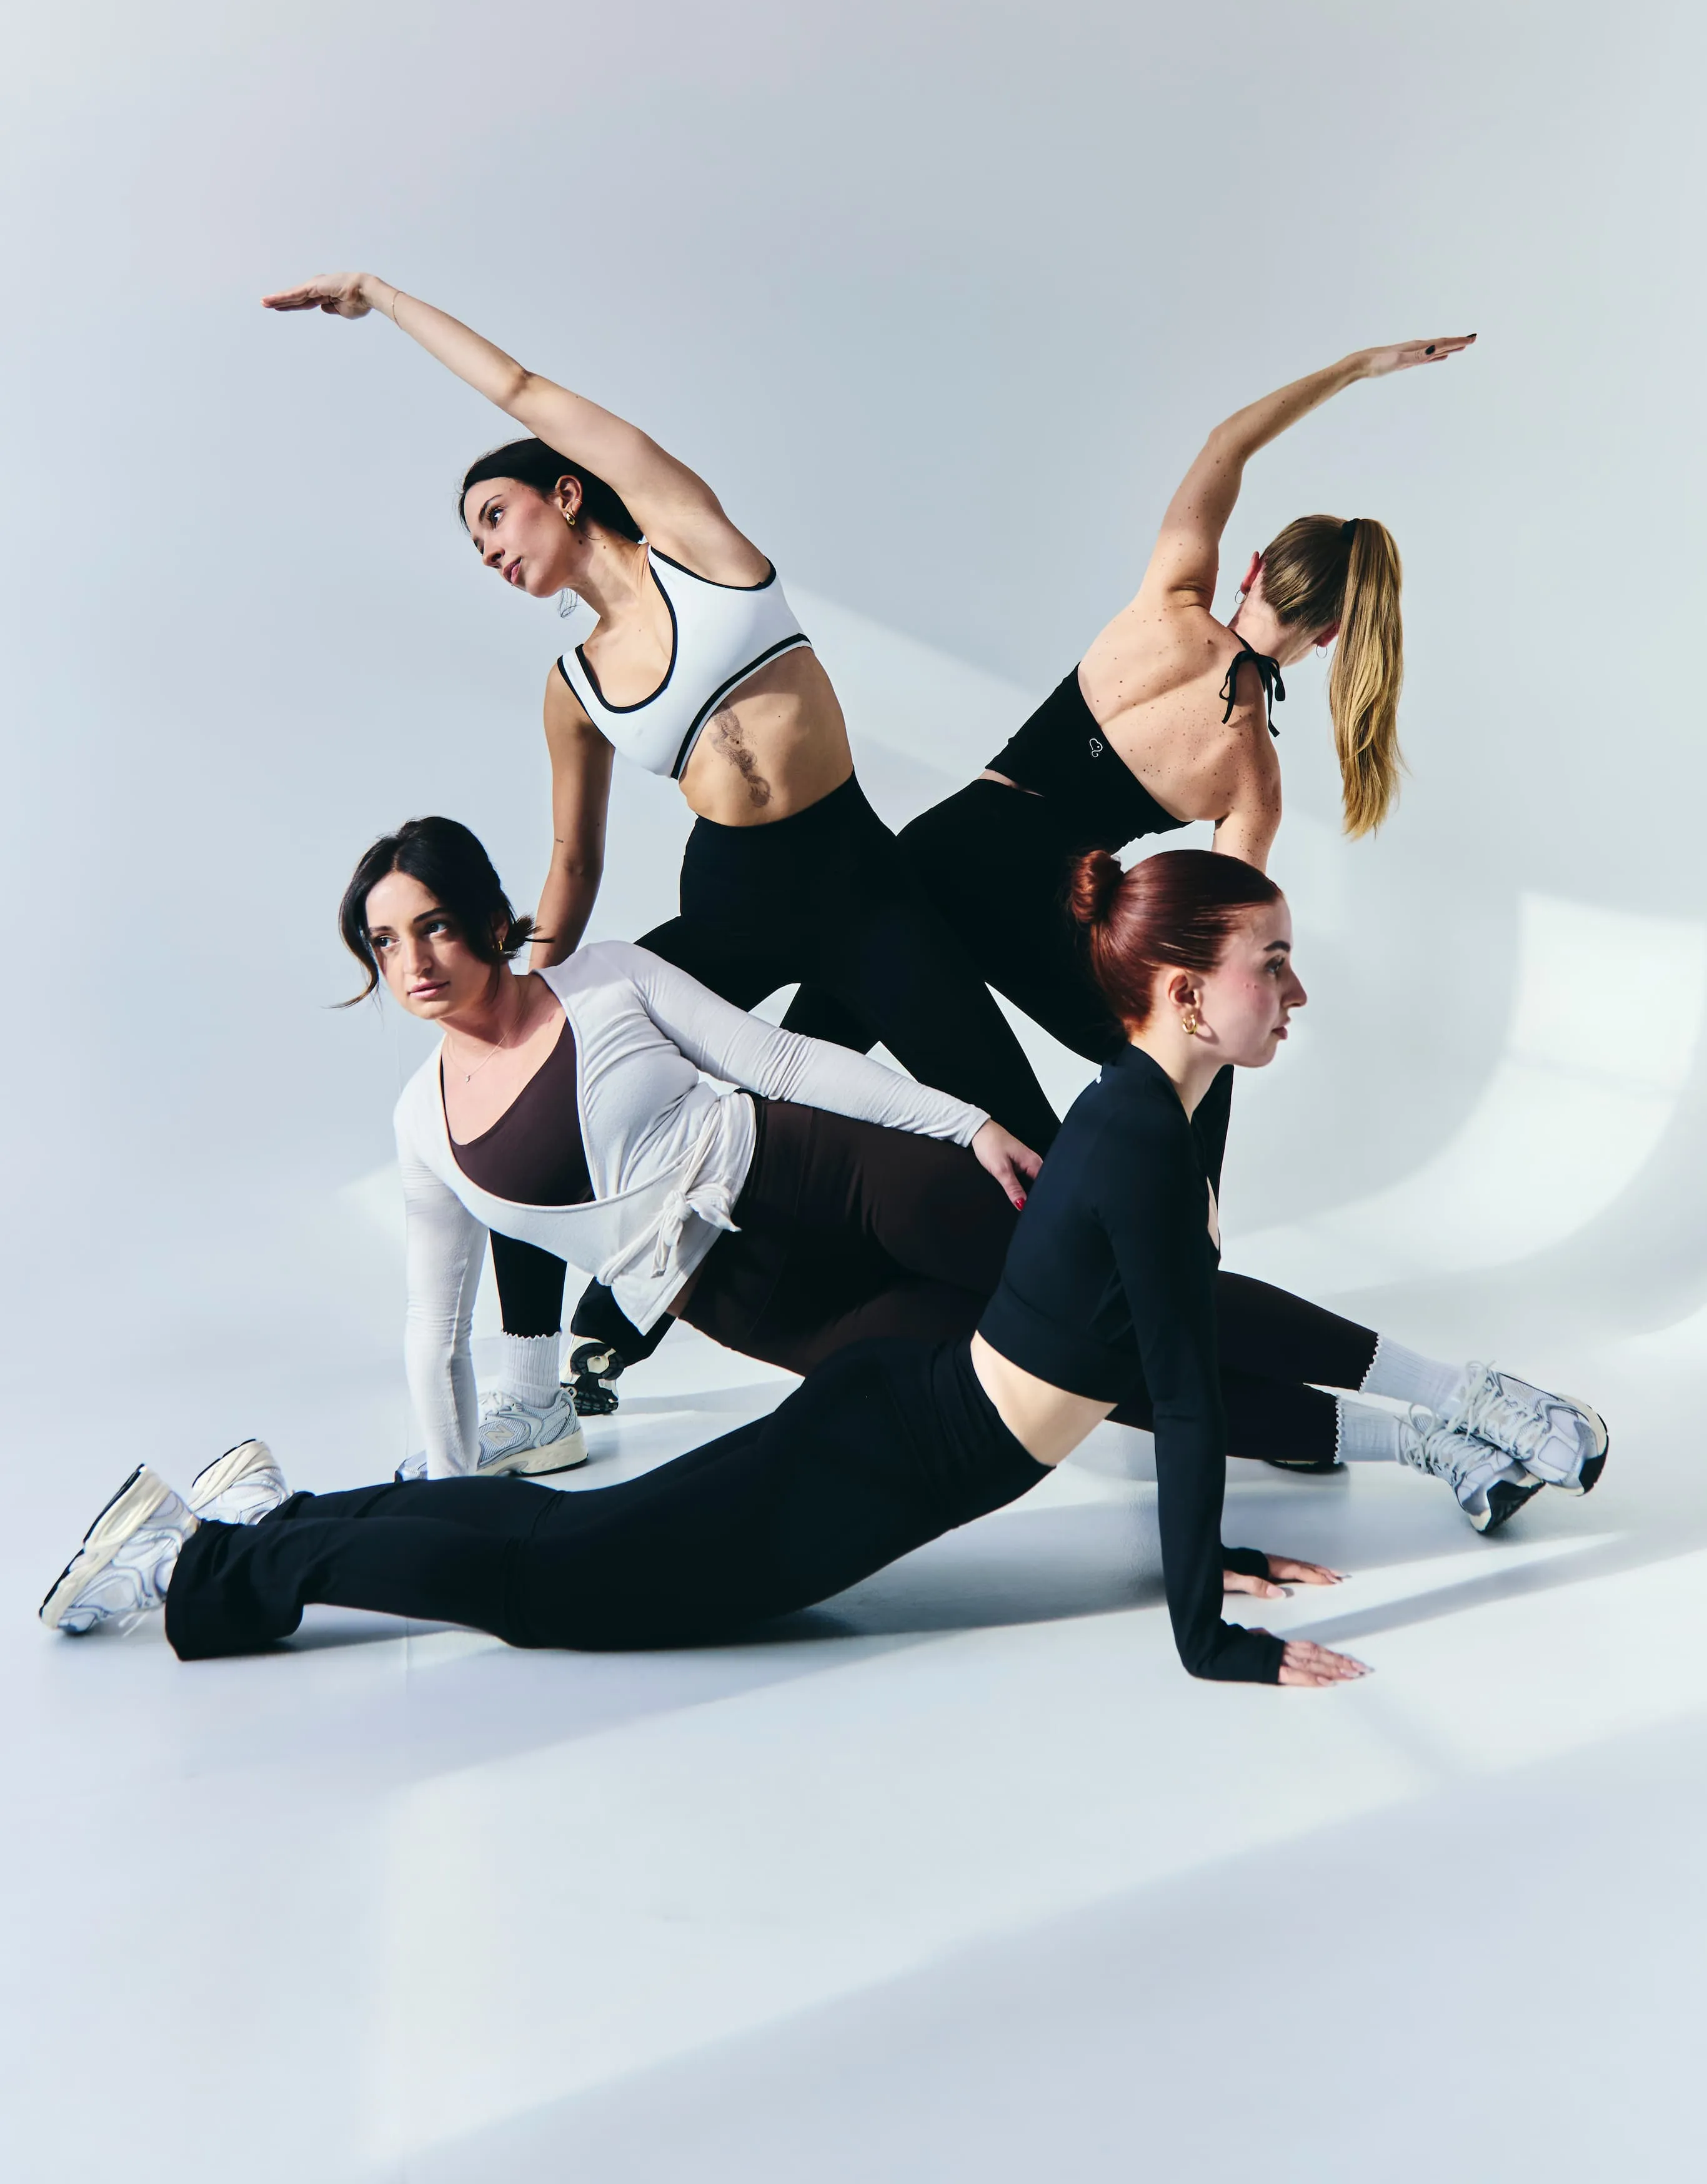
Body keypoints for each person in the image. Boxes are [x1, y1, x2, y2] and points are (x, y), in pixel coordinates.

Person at [42, 855, 1605, 1682]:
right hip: (853, 1397)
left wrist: (1208, 1567)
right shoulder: (1133, 1138)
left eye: (437, 923)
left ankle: (253, 1531)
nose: (1298, 992)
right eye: (1275, 966)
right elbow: (1181, 1400)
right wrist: (1207, 1624)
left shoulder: (1127, 1122)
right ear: (1192, 995)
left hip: (859, 1298)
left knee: (557, 1557)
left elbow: (1165, 1373)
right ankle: (216, 1555)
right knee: (546, 1572)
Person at [261, 269, 1062, 1380]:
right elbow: (573, 855)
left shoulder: (694, 544)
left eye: (497, 516)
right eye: (476, 544)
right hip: (731, 898)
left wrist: (383, 301)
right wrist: (521, 982)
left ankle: (1166, 1323)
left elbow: (522, 386)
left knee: (1014, 1126)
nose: (490, 548)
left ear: (570, 493)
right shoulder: (570, 683)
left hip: (857, 882)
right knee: (541, 1082)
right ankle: (538, 1372)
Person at [787, 336, 1473, 1077]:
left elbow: (1228, 443)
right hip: (1045, 915)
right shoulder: (1253, 778)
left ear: (1252, 568)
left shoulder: (1168, 599)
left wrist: (1353, 368)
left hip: (946, 845)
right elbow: (1216, 948)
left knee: (794, 1063)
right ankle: (1169, 1192)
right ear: (1333, 634)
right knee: (1156, 1068)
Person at [336, 815, 1040, 1481]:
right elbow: (436, 1327)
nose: (414, 961)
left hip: (834, 1172)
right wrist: (451, 1493)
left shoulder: (604, 977)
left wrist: (965, 1124)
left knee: (1087, 1286)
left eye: (434, 927)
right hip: (760, 1307)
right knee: (1032, 1369)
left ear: (491, 921)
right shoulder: (422, 1122)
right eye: (387, 941)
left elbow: (782, 1063)